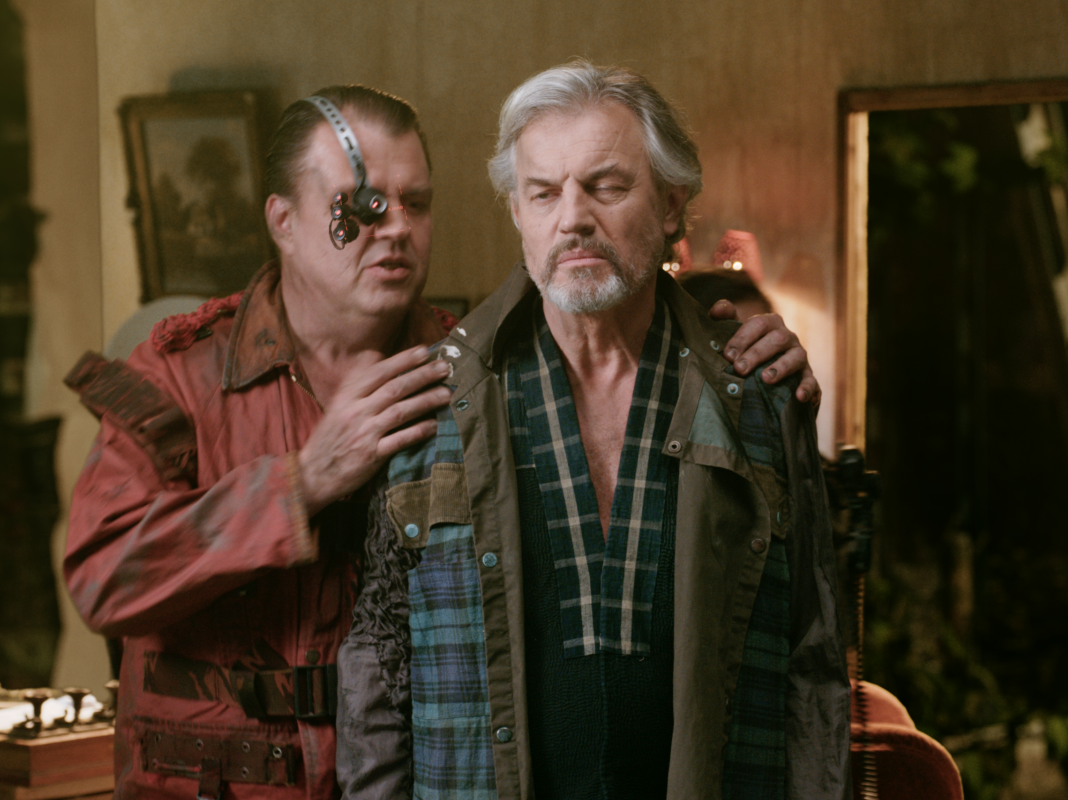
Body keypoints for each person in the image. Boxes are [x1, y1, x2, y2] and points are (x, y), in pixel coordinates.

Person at [63, 86, 820, 800]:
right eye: (361, 206)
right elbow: (101, 575)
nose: (395, 227)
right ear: (284, 221)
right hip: (219, 781)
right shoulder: (185, 372)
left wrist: (741, 357)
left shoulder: (473, 371)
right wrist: (302, 481)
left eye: (415, 204)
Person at [337, 61, 848, 800]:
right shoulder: (430, 404)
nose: (572, 217)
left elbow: (813, 664)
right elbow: (380, 674)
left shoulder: (757, 401)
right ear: (518, 212)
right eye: (544, 192)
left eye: (606, 187)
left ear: (671, 204)